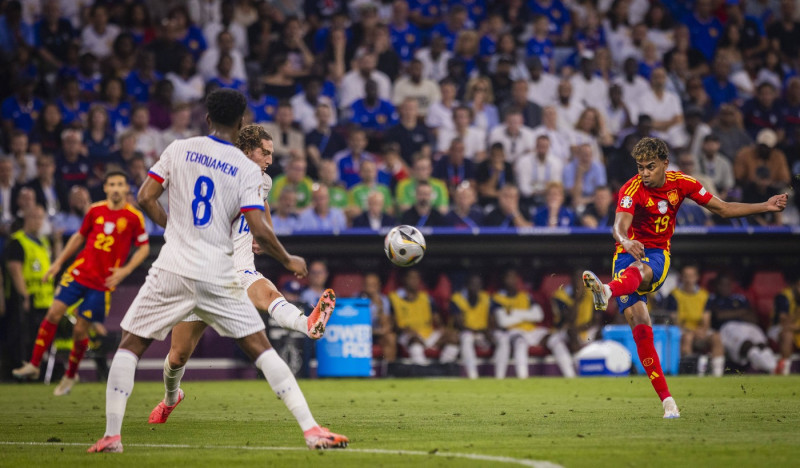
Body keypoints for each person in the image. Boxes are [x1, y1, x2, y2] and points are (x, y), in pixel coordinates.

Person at [86, 89, 347, 453]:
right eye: (266, 152)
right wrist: (286, 258)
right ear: (241, 125)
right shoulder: (243, 169)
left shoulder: (179, 149)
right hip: (215, 269)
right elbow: (259, 221)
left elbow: (145, 196)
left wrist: (174, 229)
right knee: (197, 354)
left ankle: (112, 435)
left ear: (207, 118)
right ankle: (306, 427)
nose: (270, 160)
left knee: (130, 345)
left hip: (185, 266)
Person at [581, 137, 787, 418]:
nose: (644, 173)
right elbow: (618, 227)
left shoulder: (682, 183)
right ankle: (668, 402)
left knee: (639, 273)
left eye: (650, 167)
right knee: (641, 326)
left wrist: (765, 206)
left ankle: (606, 291)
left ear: (665, 163)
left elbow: (723, 208)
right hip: (626, 252)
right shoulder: (631, 189)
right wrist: (625, 241)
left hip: (656, 254)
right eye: (640, 167)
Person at [149, 124, 340, 422]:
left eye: (271, 154)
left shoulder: (262, 181)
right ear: (247, 150)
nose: (270, 160)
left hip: (237, 266)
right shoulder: (213, 174)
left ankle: (307, 323)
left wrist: (263, 235)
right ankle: (171, 397)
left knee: (265, 291)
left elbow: (262, 206)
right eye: (264, 153)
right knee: (178, 356)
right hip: (199, 273)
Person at [12, 173, 150, 396]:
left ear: (126, 189)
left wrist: (125, 270)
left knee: (79, 330)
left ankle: (70, 375)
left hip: (101, 284)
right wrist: (57, 264)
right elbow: (78, 237)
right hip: (78, 272)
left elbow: (144, 247)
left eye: (120, 185)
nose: (115, 188)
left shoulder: (133, 217)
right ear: (105, 187)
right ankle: (34, 364)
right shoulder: (95, 210)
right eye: (112, 184)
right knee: (54, 313)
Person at [492, 268, 575, 379]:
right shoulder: (498, 298)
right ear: (504, 280)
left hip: (532, 331)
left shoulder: (525, 296)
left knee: (556, 340)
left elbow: (538, 315)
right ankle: (523, 378)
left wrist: (514, 314)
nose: (512, 280)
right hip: (513, 332)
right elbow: (503, 321)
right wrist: (527, 314)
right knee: (520, 343)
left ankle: (571, 377)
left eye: (514, 277)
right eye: (509, 277)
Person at [389, 269, 459, 366]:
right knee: (415, 340)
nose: (415, 281)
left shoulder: (427, 298)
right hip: (407, 335)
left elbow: (438, 321)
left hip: (427, 334)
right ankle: (422, 368)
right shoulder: (394, 298)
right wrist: (404, 329)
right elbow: (393, 324)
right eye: (412, 278)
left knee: (453, 337)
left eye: (417, 278)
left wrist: (443, 330)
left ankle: (444, 367)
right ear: (405, 279)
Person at [665, 264, 724, 377]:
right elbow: (674, 320)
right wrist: (690, 331)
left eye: (691, 276)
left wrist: (702, 331)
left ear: (697, 277)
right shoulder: (674, 295)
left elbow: (706, 319)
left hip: (700, 330)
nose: (688, 280)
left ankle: (718, 374)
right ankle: (690, 373)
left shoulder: (704, 295)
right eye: (686, 276)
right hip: (682, 330)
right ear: (681, 278)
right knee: (687, 337)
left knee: (716, 337)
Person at [451, 273, 493, 379]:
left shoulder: (486, 297)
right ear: (467, 286)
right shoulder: (457, 298)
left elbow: (492, 319)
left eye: (478, 285)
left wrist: (489, 332)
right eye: (473, 284)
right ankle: (472, 375)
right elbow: (459, 323)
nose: (476, 287)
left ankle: (498, 376)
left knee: (503, 338)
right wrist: (477, 330)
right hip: (467, 332)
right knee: (466, 337)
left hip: (482, 334)